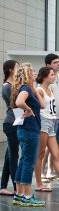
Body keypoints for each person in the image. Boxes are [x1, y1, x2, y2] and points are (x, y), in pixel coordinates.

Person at [10, 63, 46, 207]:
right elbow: (20, 102)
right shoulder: (25, 89)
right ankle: (26, 196)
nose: (35, 73)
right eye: (32, 71)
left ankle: (19, 195)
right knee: (29, 163)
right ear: (27, 74)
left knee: (23, 161)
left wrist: (34, 90)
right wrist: (29, 109)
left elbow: (43, 105)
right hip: (30, 130)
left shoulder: (26, 89)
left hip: (25, 130)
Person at [42, 53, 59, 181]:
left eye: (58, 62)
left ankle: (51, 171)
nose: (58, 64)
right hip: (50, 117)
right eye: (55, 62)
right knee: (46, 148)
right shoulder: (45, 79)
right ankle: (41, 172)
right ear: (48, 65)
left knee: (56, 146)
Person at [0, 60, 19, 196]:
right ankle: (17, 187)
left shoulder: (14, 85)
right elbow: (15, 105)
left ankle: (2, 186)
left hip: (15, 122)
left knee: (9, 156)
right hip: (11, 123)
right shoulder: (7, 86)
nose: (19, 70)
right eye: (17, 67)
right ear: (11, 70)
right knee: (14, 156)